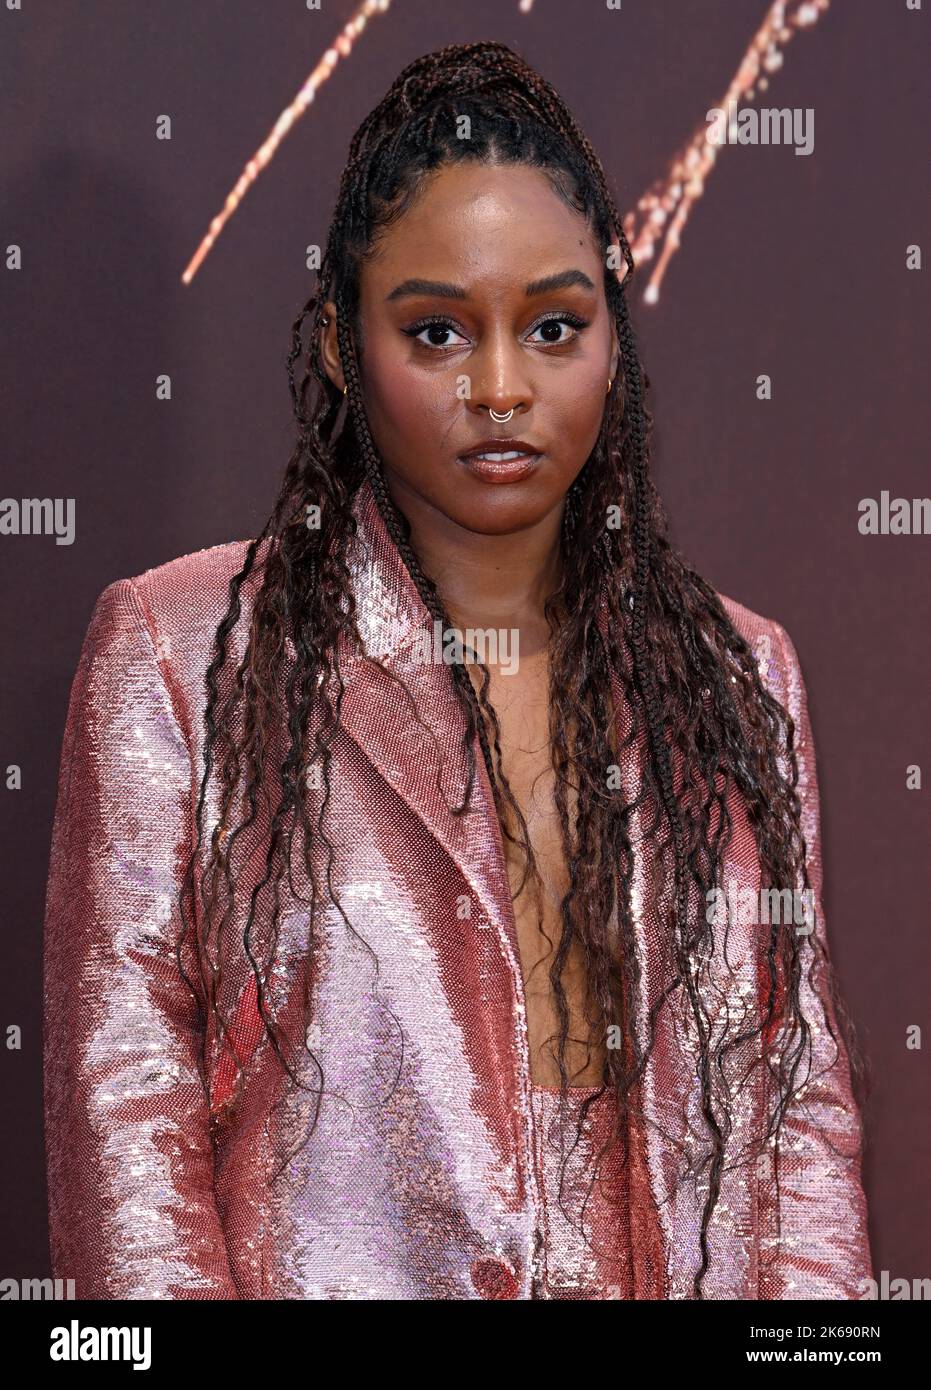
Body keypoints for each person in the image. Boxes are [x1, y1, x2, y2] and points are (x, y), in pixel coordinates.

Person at [42, 40, 873, 1300]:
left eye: (552, 325)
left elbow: (795, 1121)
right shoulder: (176, 653)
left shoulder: (739, 677)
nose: (501, 386)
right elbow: (129, 1129)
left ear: (610, 331)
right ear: (339, 343)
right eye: (436, 329)